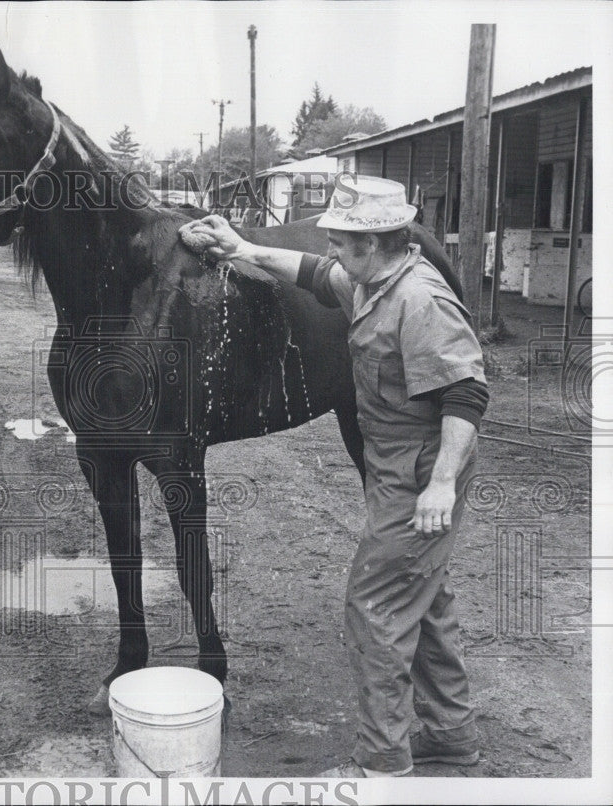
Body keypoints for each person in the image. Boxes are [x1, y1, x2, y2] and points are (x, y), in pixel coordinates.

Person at [179, 176, 488, 778]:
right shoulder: (374, 281)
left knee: (375, 607)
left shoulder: (419, 300)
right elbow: (312, 273)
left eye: (341, 242)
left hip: (422, 466)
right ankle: (451, 733)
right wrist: (238, 246)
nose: (333, 252)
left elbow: (467, 394)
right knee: (423, 597)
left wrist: (442, 484)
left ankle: (381, 766)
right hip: (397, 460)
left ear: (372, 243)